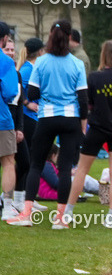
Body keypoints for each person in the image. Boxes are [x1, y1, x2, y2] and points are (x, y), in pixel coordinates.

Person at [8, 20, 86, 228]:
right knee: (65, 167)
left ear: (50, 36)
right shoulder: (77, 64)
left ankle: (25, 213)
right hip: (71, 118)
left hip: (47, 117)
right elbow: (83, 98)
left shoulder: (41, 62)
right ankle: (60, 218)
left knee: (35, 165)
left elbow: (32, 94)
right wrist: (83, 123)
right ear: (70, 38)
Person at [61, 41, 112, 228]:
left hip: (97, 128)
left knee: (81, 170)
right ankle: (111, 216)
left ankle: (68, 211)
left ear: (103, 55)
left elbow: (89, 104)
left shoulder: (94, 77)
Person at [7, 37, 46, 218]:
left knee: (28, 160)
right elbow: (24, 94)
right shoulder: (27, 69)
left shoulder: (26, 69)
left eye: (12, 50)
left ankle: (23, 197)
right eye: (7, 49)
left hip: (27, 120)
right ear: (40, 51)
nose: (10, 53)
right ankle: (15, 198)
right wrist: (28, 103)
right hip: (26, 119)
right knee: (26, 160)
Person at [0, 22, 20, 220]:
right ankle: (7, 206)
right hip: (1, 119)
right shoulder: (5, 62)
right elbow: (11, 92)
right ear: (4, 38)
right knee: (8, 162)